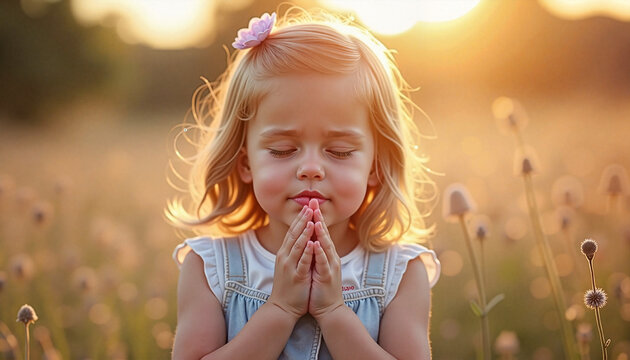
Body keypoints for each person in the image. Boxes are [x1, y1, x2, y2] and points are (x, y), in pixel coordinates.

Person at [168, 8, 440, 360]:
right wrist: (280, 310)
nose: (311, 169)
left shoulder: (399, 273)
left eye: (339, 151)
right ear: (245, 161)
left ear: (375, 165)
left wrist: (333, 313)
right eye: (283, 150)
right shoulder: (211, 268)